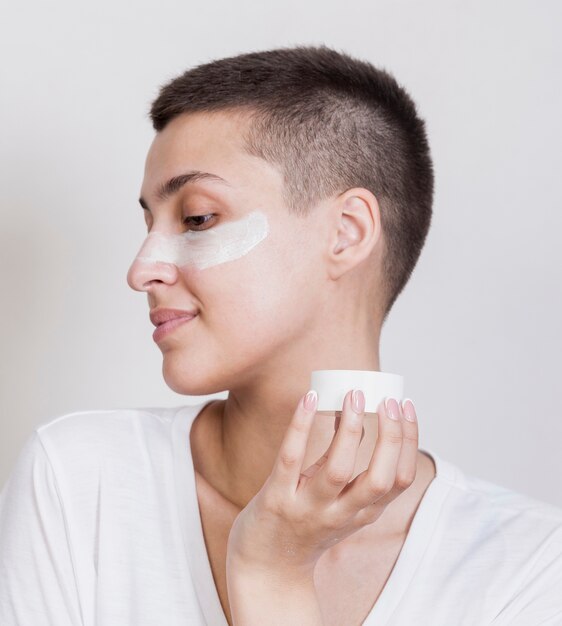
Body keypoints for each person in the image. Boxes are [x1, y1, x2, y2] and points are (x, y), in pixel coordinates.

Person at [1, 44, 561, 626]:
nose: (142, 269)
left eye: (196, 218)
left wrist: (272, 574)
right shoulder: (79, 481)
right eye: (149, 224)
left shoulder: (530, 569)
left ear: (346, 233)